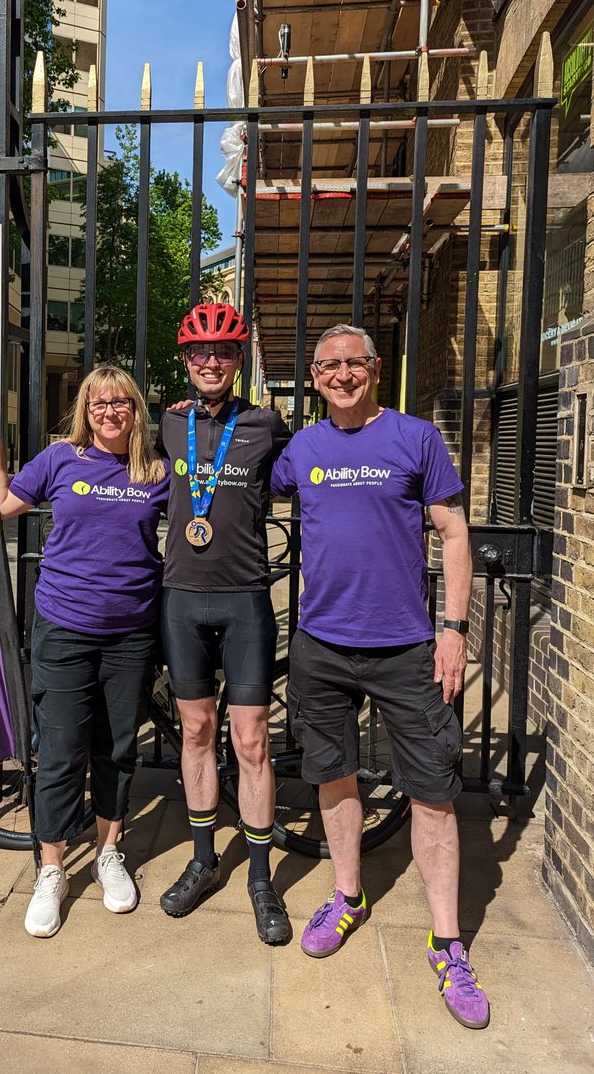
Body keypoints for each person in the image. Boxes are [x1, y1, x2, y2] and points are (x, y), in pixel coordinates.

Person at [270, 323, 488, 1029]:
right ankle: (347, 895)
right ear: (313, 376)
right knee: (332, 776)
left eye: (353, 363)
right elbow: (237, 483)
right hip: (321, 646)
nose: (341, 373)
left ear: (374, 369)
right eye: (328, 365)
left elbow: (454, 534)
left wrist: (454, 631)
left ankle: (447, 942)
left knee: (431, 793)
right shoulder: (302, 449)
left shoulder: (416, 438)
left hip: (405, 648)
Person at [0, 366, 169, 939]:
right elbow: (3, 503)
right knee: (58, 750)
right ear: (86, 410)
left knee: (116, 747)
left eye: (121, 401)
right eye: (99, 402)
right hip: (64, 627)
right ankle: (51, 868)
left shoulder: (155, 471)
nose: (110, 411)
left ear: (136, 409)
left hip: (131, 632)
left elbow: (194, 521)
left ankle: (109, 852)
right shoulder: (61, 460)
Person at [156, 302, 293, 944]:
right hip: (182, 598)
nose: (211, 361)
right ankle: (206, 860)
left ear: (239, 361)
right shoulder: (167, 420)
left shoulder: (268, 424)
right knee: (195, 731)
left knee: (254, 739)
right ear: (185, 362)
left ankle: (262, 878)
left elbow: (316, 476)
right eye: (200, 353)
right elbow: (97, 448)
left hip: (244, 600)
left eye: (224, 352)